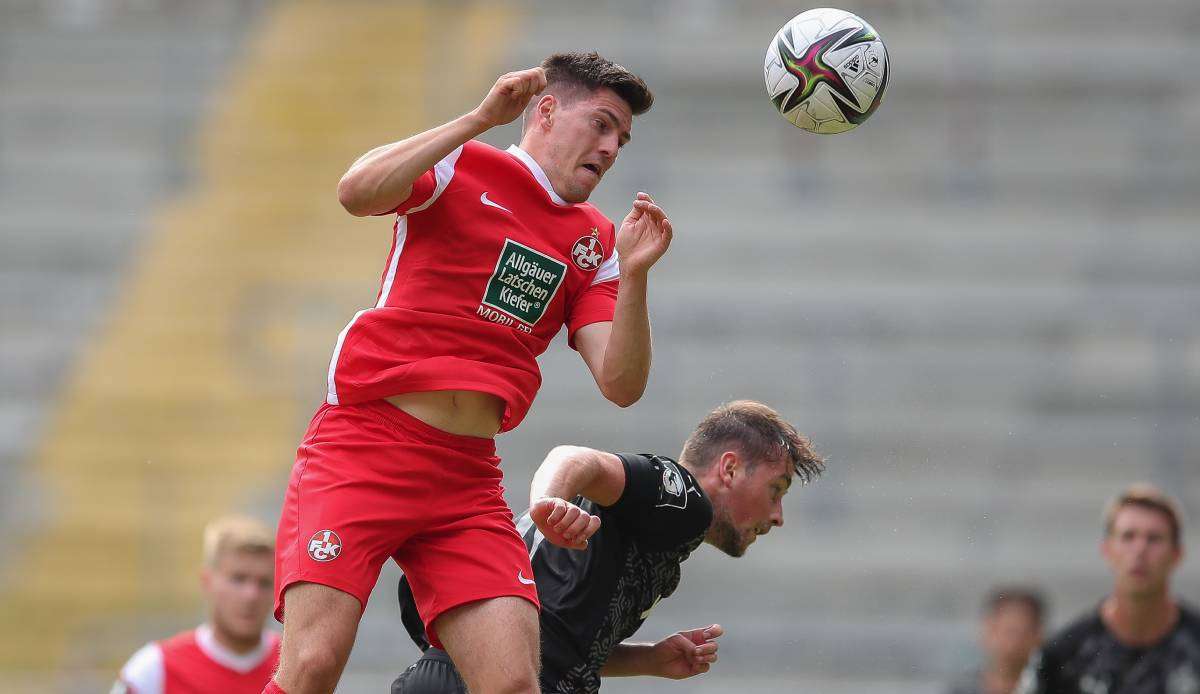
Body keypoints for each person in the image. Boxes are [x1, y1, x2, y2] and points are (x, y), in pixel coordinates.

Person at [268, 51, 671, 694]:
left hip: (465, 477)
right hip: (367, 444)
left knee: (513, 684)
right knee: (312, 667)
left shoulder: (593, 241)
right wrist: (478, 119)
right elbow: (354, 192)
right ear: (544, 111)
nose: (612, 146)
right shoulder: (463, 162)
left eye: (621, 137)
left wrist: (638, 275)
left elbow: (621, 386)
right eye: (600, 124)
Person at [391, 400, 825, 694]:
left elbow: (557, 642)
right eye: (776, 489)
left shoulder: (663, 540)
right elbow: (574, 458)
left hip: (457, 671)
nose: (778, 516)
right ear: (729, 468)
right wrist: (549, 504)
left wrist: (647, 659)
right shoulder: (685, 501)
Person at [1018, 483, 1199, 693]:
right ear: (1107, 550)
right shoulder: (1062, 658)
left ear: (1177, 555)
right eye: (1128, 536)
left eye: (1154, 539)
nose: (1140, 550)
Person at [112, 515, 279, 694]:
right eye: (238, 579)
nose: (251, 595)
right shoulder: (153, 670)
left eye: (264, 583)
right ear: (207, 582)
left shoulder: (296, 666)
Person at [948, 586, 1046, 694]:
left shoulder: (1054, 686)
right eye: (1009, 632)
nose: (1015, 642)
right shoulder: (961, 689)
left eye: (1022, 633)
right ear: (986, 632)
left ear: (1039, 635)